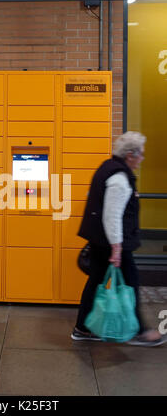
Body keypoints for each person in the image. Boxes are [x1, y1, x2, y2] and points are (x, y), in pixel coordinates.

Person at [71, 131, 167, 346]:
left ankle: (82, 328)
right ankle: (139, 331)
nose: (142, 159)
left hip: (100, 240)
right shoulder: (119, 178)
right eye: (140, 154)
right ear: (130, 154)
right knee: (130, 282)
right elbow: (111, 216)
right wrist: (116, 248)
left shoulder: (107, 167)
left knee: (95, 281)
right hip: (112, 243)